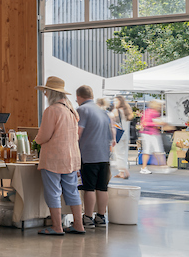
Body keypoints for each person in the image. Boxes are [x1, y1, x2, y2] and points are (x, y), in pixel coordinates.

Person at [34, 76, 83, 236]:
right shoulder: (71, 110)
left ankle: (57, 227)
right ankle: (78, 224)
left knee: (53, 192)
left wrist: (36, 140)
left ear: (52, 93)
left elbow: (44, 136)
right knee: (72, 191)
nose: (45, 95)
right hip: (72, 157)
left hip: (54, 158)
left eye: (46, 92)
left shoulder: (52, 110)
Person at [75, 84, 113, 229]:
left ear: (78, 97)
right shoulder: (102, 111)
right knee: (102, 187)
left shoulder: (82, 110)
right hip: (104, 155)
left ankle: (88, 217)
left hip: (89, 155)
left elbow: (78, 132)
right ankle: (101, 217)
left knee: (89, 188)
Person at [138, 100, 165, 173]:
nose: (161, 107)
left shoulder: (148, 111)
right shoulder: (153, 112)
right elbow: (145, 123)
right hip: (150, 133)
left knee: (151, 150)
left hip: (148, 133)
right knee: (156, 150)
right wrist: (156, 123)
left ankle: (146, 167)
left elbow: (143, 122)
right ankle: (162, 166)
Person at [110, 96, 132, 179]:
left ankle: (125, 171)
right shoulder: (127, 110)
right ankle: (121, 173)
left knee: (118, 154)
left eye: (116, 101)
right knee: (124, 153)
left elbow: (111, 119)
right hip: (126, 135)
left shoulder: (116, 110)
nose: (114, 102)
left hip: (119, 135)